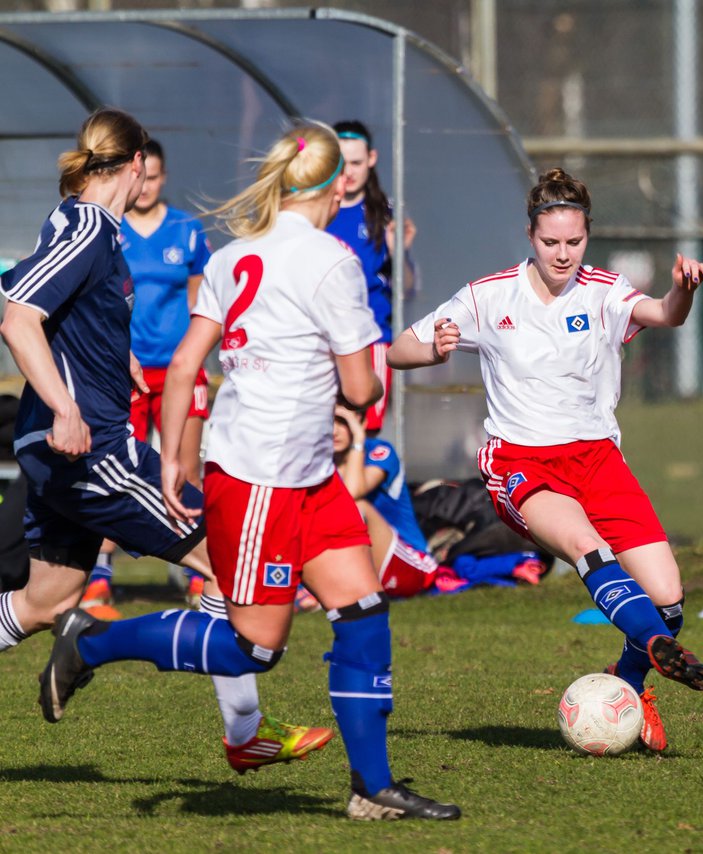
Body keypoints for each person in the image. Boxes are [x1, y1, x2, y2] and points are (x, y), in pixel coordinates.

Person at [39, 121, 460, 821]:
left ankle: (372, 787)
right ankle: (96, 640)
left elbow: (183, 366)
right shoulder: (332, 261)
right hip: (262, 477)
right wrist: (368, 362)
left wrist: (175, 458)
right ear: (331, 187)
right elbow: (361, 390)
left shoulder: (236, 256)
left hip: (300, 473)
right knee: (253, 650)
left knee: (362, 611)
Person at [0, 108, 332, 775]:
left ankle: (241, 728)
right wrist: (67, 406)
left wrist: (100, 357)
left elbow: (41, 306)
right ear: (134, 166)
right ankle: (245, 734)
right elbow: (18, 316)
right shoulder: (89, 225)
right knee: (231, 559)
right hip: (90, 451)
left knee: (46, 600)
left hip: (64, 452)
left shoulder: (82, 225)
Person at [386, 167, 703, 753]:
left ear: (587, 235)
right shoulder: (489, 296)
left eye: (574, 241)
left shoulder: (605, 290)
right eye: (550, 242)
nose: (563, 254)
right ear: (530, 236)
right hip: (522, 460)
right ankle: (660, 654)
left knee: (666, 599)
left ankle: (631, 680)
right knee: (586, 546)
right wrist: (431, 350)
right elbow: (399, 348)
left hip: (597, 459)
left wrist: (684, 289)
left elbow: (665, 314)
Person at [81, 138, 213, 613]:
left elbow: (202, 304)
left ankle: (200, 573)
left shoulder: (188, 230)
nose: (146, 185)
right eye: (143, 175)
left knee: (188, 467)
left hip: (180, 369)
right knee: (118, 469)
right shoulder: (108, 230)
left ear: (162, 177)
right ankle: (99, 575)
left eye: (155, 177)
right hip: (123, 369)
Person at [325, 120, 415, 436]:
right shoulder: (318, 211)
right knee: (323, 430)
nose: (348, 172)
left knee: (364, 430)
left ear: (372, 159)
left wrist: (397, 252)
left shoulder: (384, 213)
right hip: (322, 339)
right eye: (341, 163)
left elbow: (407, 288)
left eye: (356, 162)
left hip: (371, 338)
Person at [329, 404, 438, 602]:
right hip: (366, 562)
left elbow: (352, 493)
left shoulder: (380, 451)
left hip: (414, 563)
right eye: (329, 421)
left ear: (361, 422)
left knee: (355, 507)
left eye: (343, 422)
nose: (334, 430)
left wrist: (358, 440)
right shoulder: (322, 461)